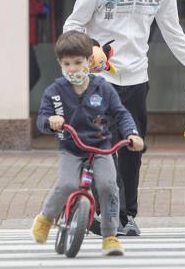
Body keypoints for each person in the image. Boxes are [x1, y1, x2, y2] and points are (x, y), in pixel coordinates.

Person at [63, 0, 185, 236]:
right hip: (100, 81)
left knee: (131, 149)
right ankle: (100, 212)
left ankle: (126, 215)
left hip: (136, 81)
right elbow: (73, 23)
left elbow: (174, 34)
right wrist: (89, 50)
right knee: (102, 148)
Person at [30, 31, 144, 256]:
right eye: (67, 63)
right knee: (66, 185)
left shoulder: (103, 88)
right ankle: (45, 218)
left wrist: (132, 134)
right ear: (60, 63)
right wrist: (50, 122)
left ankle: (110, 236)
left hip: (101, 148)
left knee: (108, 186)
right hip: (71, 149)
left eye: (78, 62)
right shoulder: (55, 92)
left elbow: (121, 114)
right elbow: (41, 120)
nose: (72, 68)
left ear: (89, 61)